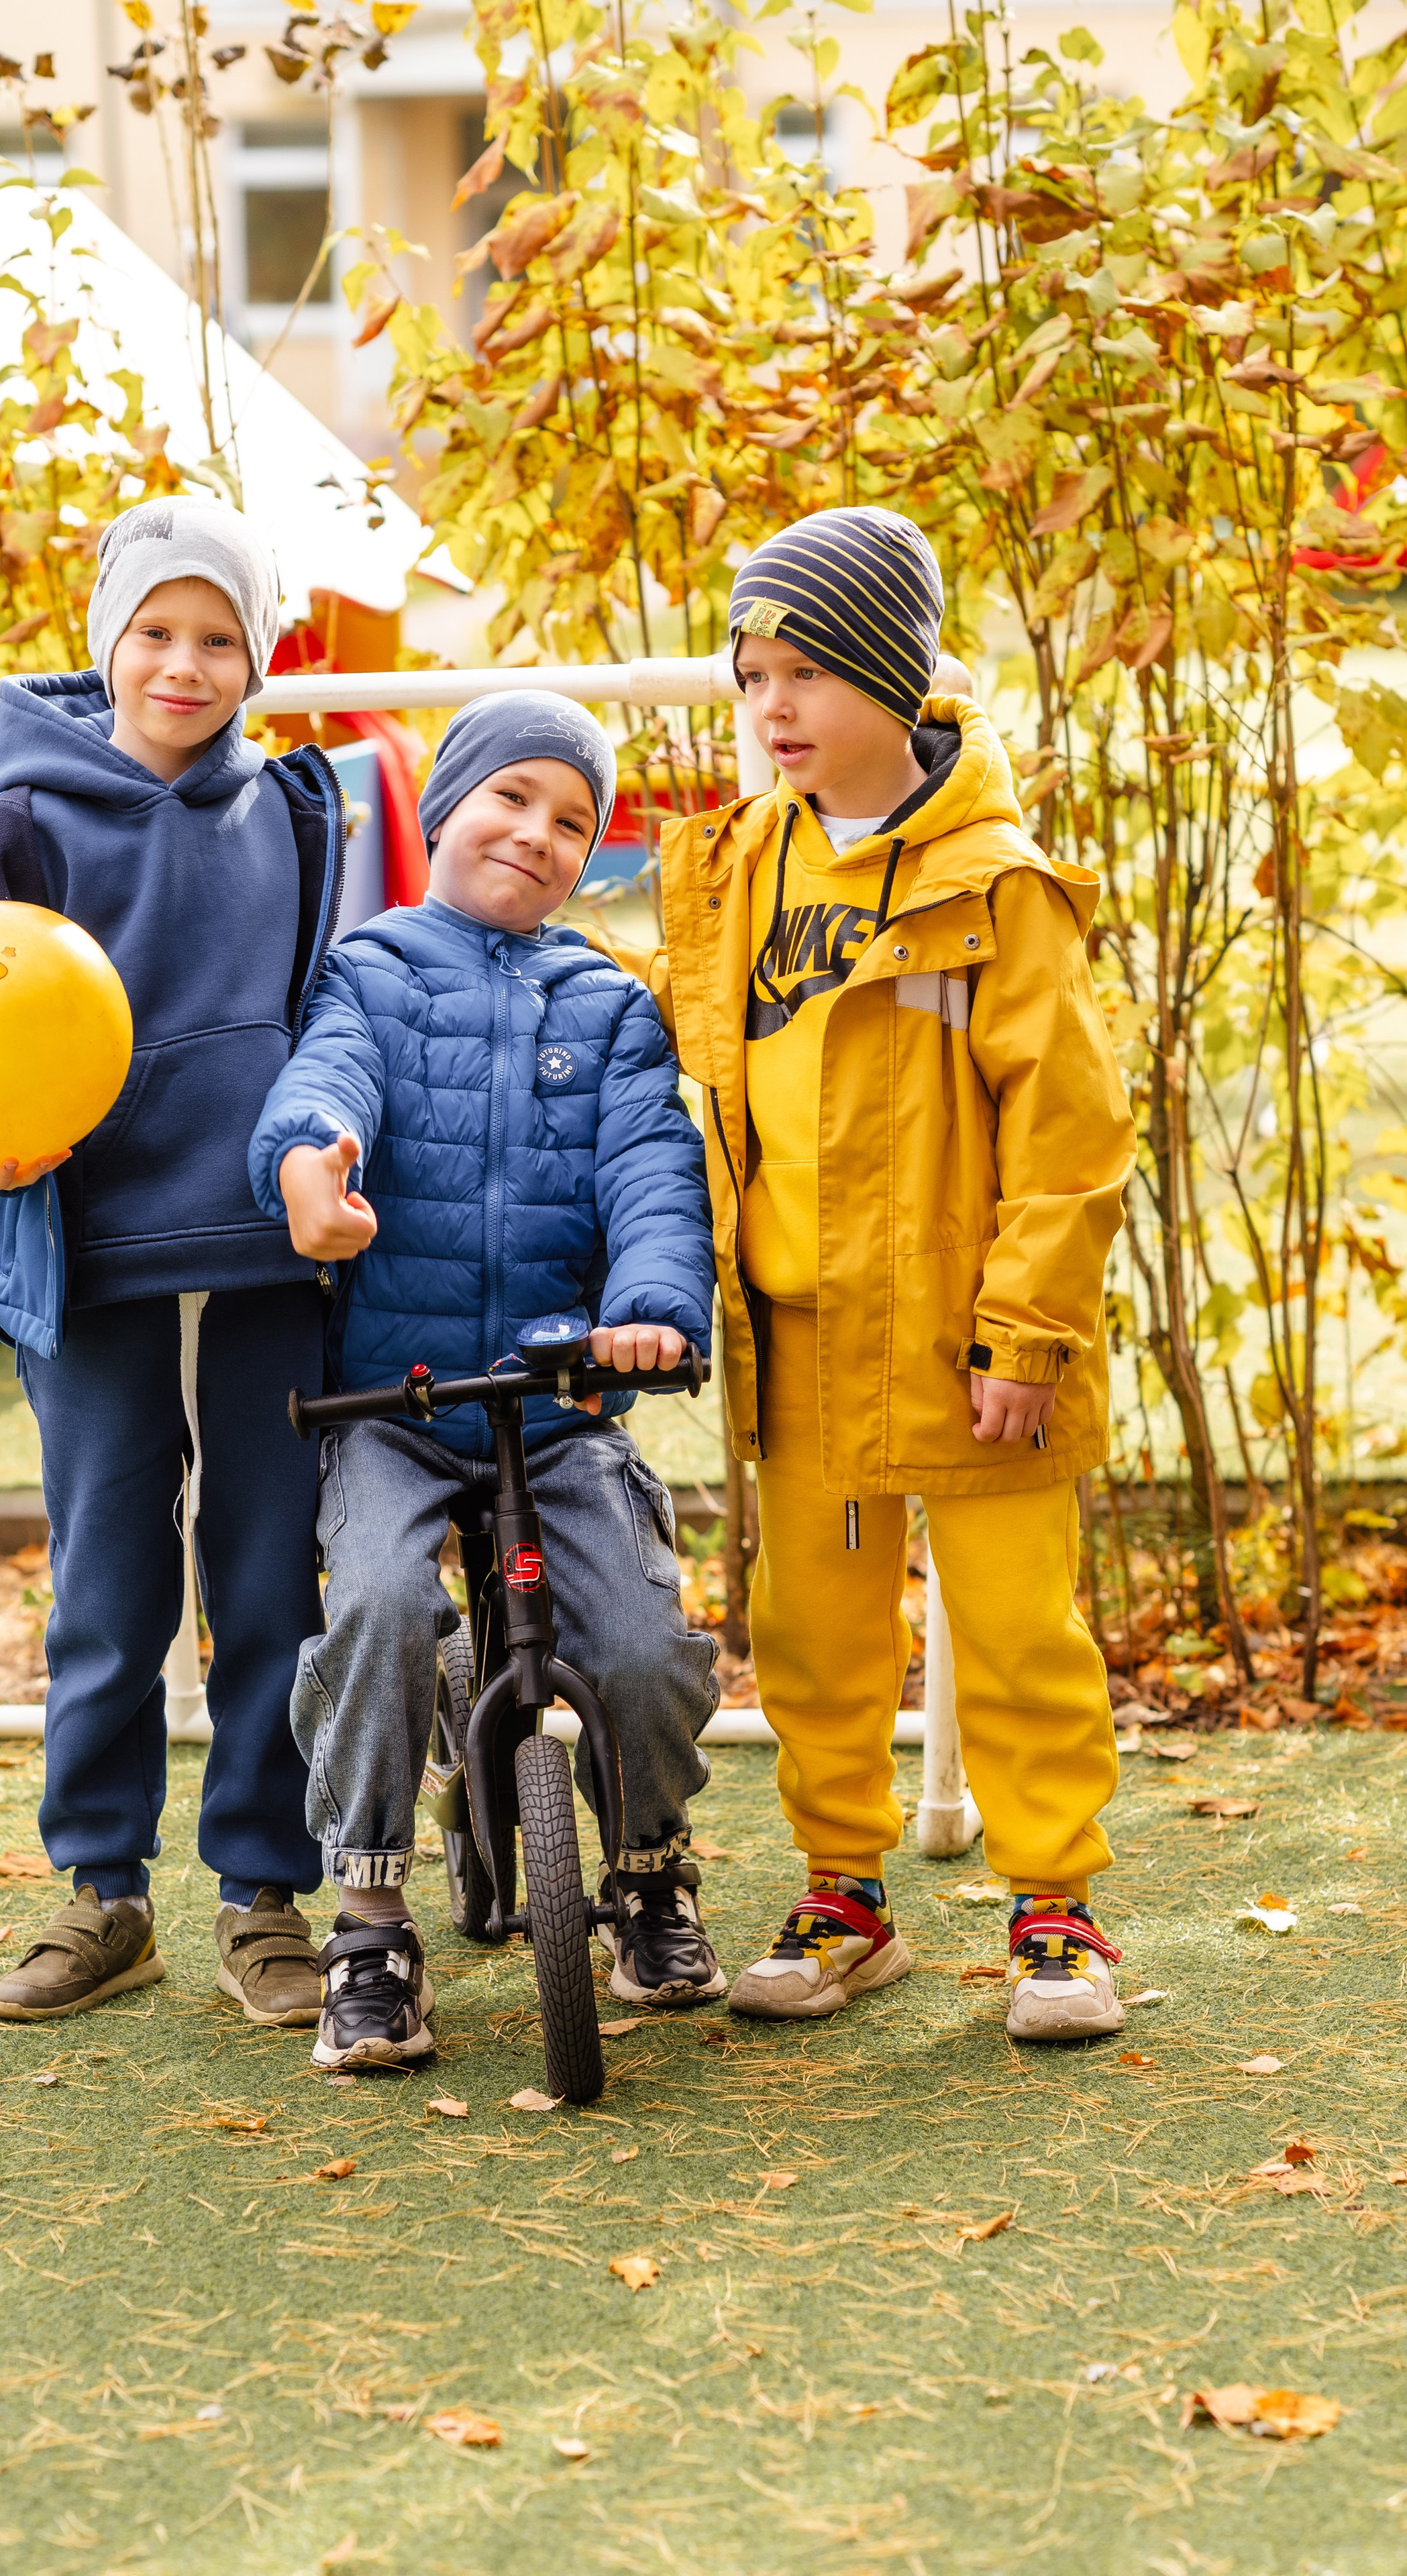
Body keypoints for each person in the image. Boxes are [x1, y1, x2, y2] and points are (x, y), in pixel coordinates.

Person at [595, 506, 1135, 2041]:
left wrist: (1022, 1337)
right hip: (801, 1331)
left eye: (808, 673)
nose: (771, 709)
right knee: (815, 1636)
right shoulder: (737, 867)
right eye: (752, 673)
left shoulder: (993, 883)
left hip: (970, 1342)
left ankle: (1054, 1913)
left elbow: (1073, 1136)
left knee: (1020, 1630)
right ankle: (842, 1893)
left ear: (893, 684)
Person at [0, 496, 340, 2028]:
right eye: (155, 631)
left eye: (220, 638)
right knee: (107, 1581)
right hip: (90, 1256)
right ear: (108, 639)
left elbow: (328, 1019)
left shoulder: (292, 814)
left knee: (272, 1573)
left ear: (257, 658)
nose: (184, 665)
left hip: (271, 1255)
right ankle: (103, 1891)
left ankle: (265, 1893)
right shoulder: (19, 827)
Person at [249, 693, 723, 2070]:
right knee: (386, 1606)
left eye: (573, 820)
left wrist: (646, 1311)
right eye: (510, 797)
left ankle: (646, 1865)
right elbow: (324, 1084)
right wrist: (310, 1165)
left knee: (636, 1639)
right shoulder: (372, 969)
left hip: (555, 1398)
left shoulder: (609, 1008)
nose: (537, 833)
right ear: (442, 806)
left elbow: (650, 1174)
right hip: (395, 1406)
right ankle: (368, 1918)